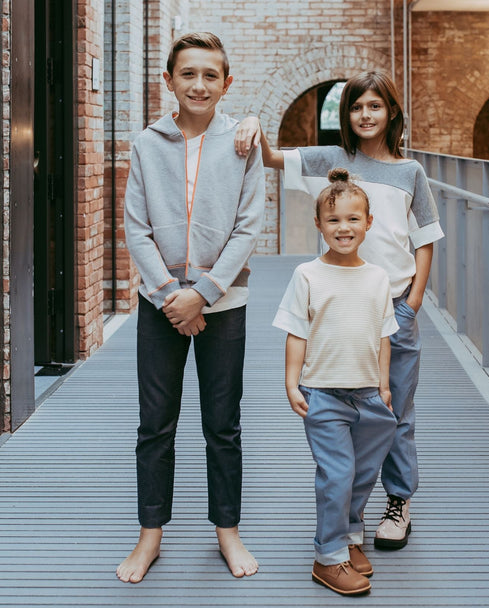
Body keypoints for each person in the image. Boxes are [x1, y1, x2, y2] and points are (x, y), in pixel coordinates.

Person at [237, 71, 443, 550]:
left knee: (395, 411)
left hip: (393, 308)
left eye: (375, 106)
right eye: (356, 107)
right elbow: (269, 158)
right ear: (345, 115)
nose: (366, 115)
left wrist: (411, 303)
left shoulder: (411, 171)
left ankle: (398, 502)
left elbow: (426, 241)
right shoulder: (331, 161)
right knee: (347, 410)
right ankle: (349, 511)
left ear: (391, 112)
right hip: (340, 310)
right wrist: (252, 119)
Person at [117, 31, 264, 584]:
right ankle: (150, 534)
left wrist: (201, 294)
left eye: (209, 76)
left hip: (224, 302)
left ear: (226, 84)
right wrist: (169, 296)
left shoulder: (241, 143)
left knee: (222, 424)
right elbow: (137, 228)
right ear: (169, 81)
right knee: (156, 424)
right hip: (159, 303)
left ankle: (227, 530)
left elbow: (249, 227)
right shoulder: (146, 144)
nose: (198, 85)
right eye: (187, 75)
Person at [273, 168, 399, 596]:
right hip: (323, 392)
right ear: (319, 225)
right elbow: (296, 332)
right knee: (337, 473)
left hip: (369, 394)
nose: (343, 228)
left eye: (352, 219)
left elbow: (384, 335)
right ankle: (328, 558)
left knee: (363, 473)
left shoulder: (378, 277)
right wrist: (292, 383)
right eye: (333, 220)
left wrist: (383, 385)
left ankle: (349, 536)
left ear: (368, 223)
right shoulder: (307, 275)